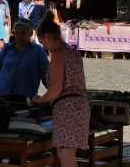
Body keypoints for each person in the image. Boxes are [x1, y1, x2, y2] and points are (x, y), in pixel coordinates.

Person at [32, 11, 90, 167]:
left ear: (48, 37)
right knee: (68, 154)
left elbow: (55, 89)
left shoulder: (58, 54)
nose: (43, 47)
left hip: (67, 107)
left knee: (65, 154)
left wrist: (39, 100)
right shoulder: (73, 52)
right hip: (80, 105)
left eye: (42, 42)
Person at [0, 20, 48, 97]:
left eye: (23, 33)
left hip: (23, 98)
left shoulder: (38, 51)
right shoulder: (7, 48)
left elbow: (46, 76)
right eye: (17, 33)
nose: (19, 36)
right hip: (0, 95)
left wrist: (53, 95)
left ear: (31, 34)